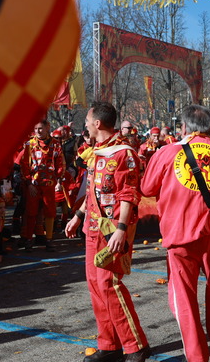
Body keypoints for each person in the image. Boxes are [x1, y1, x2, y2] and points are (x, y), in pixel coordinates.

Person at [141, 104, 210, 362]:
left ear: (184, 126)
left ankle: (196, 356)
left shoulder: (166, 152)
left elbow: (147, 188)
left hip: (180, 232)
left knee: (184, 298)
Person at [65, 102, 150, 362]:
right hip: (92, 228)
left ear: (98, 124)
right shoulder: (98, 151)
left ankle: (135, 345)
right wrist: (78, 216)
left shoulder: (124, 153)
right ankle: (109, 345)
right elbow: (94, 190)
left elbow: (129, 194)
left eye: (87, 122)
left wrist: (121, 229)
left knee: (109, 285)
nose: (86, 126)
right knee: (95, 286)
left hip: (111, 229)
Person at [16, 120, 65, 252]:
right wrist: (28, 183)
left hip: (49, 184)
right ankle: (28, 239)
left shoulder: (55, 144)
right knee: (31, 212)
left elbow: (60, 163)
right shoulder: (30, 144)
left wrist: (59, 181)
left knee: (50, 212)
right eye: (36, 129)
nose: (38, 131)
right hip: (34, 185)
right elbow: (24, 165)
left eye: (40, 128)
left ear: (47, 127)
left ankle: (49, 239)